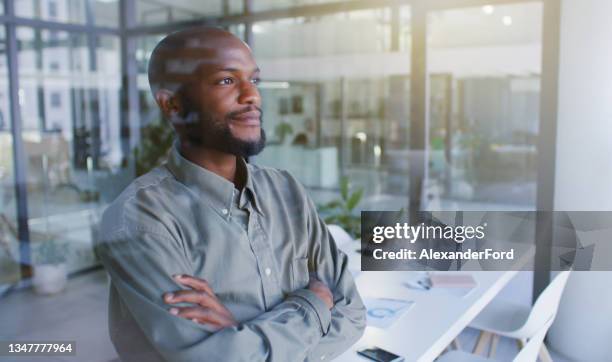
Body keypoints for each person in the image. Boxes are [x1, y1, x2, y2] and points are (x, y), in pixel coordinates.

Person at [95, 27, 366, 362]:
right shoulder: (140, 220)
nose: (252, 95)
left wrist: (244, 339)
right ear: (173, 104)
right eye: (226, 80)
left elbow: (352, 313)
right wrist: (310, 305)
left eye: (255, 80)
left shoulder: (287, 191)